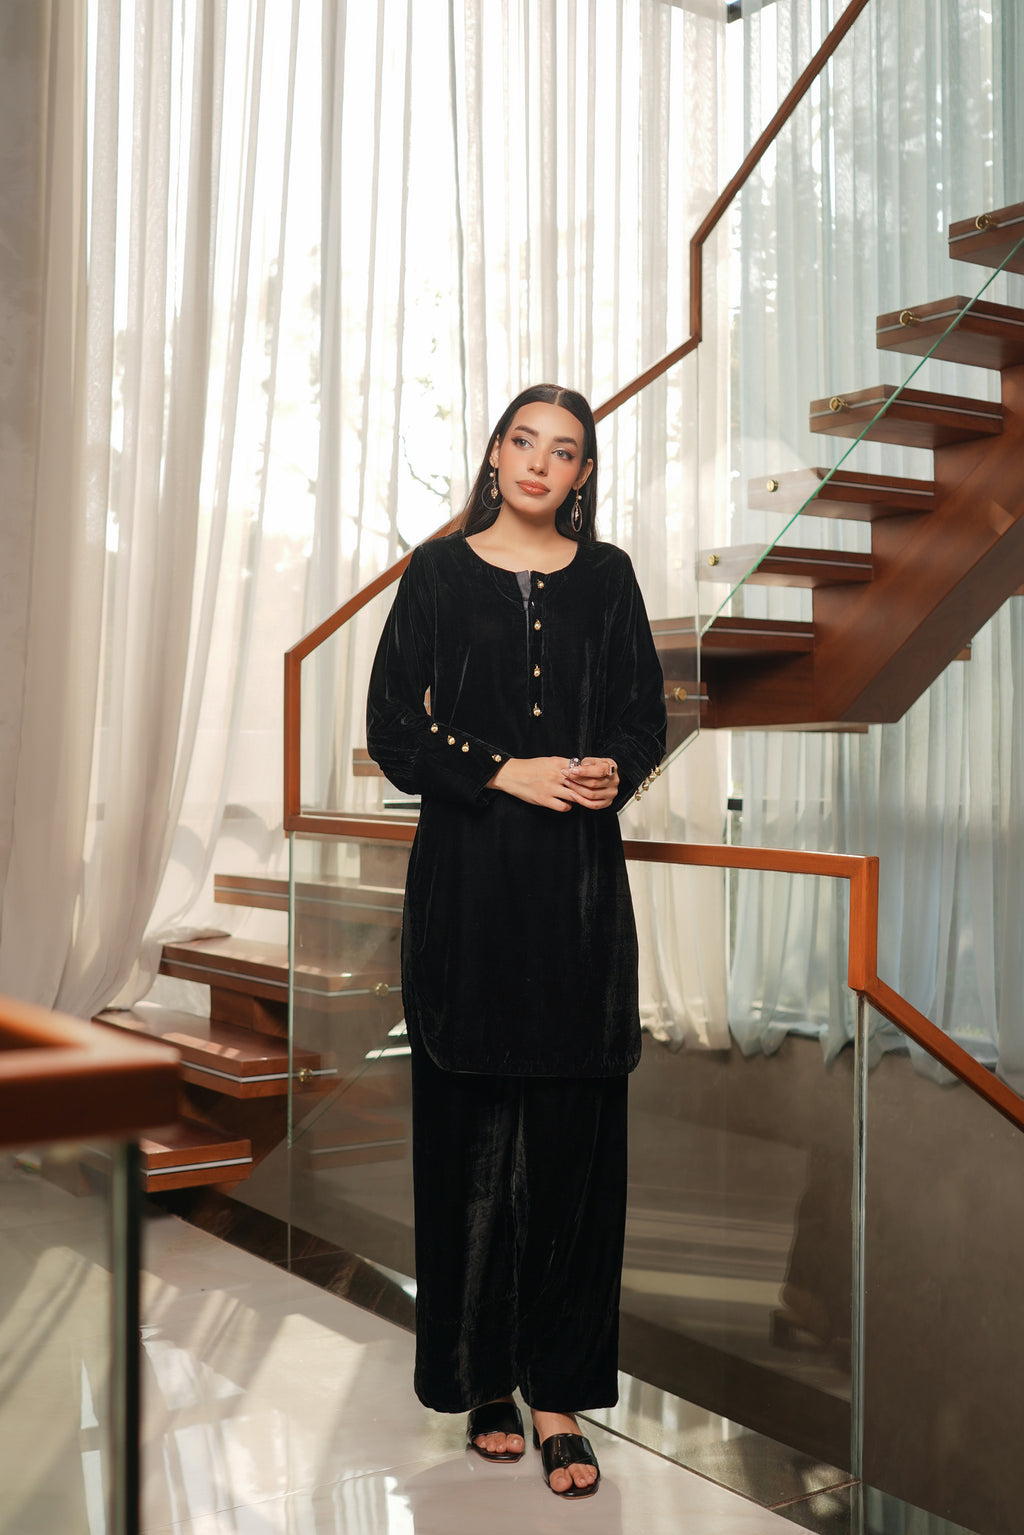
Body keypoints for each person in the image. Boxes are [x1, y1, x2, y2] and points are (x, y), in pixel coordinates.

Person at [366, 383, 666, 1499]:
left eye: (565, 451)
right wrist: (500, 769)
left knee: (576, 1158)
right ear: (494, 454)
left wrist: (608, 770)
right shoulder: (438, 573)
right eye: (523, 441)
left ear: (583, 475)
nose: (541, 463)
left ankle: (557, 1393)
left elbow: (643, 713)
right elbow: (395, 727)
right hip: (469, 888)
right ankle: (480, 1376)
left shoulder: (612, 577)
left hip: (578, 895)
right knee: (468, 1148)